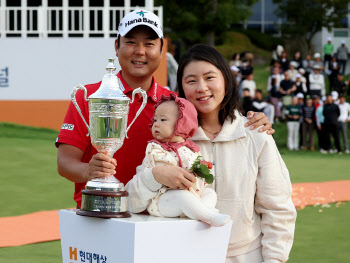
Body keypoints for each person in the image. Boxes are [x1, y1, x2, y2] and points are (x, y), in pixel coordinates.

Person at [56, 10, 274, 209]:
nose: (140, 52)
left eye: (149, 44)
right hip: (99, 211)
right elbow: (65, 163)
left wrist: (250, 120)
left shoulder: (175, 103)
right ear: (117, 46)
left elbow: (213, 121)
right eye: (131, 42)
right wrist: (90, 171)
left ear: (162, 49)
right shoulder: (90, 96)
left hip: (156, 218)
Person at [126, 44, 296, 263]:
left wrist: (274, 260)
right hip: (185, 256)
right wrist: (154, 176)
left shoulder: (256, 134)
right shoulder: (166, 142)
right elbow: (132, 201)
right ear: (182, 89)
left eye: (209, 77)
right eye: (191, 81)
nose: (201, 87)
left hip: (247, 256)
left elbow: (278, 209)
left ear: (225, 79)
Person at [130, 93, 230, 226]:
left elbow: (201, 173)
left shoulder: (191, 149)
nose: (156, 125)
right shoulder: (154, 149)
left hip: (193, 195)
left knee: (210, 193)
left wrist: (202, 169)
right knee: (182, 196)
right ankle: (208, 215)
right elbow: (153, 171)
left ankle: (202, 212)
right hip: (164, 200)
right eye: (155, 120)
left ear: (182, 123)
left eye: (163, 120)